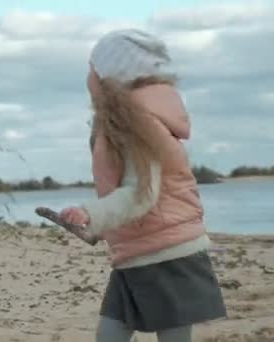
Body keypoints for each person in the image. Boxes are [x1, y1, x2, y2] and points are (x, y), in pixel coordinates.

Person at [59, 29, 227, 342]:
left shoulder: (138, 124)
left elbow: (141, 193)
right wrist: (94, 226)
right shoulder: (120, 122)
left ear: (109, 77)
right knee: (109, 335)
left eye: (91, 70)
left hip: (168, 254)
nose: (87, 78)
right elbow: (122, 190)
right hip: (136, 252)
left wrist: (91, 214)